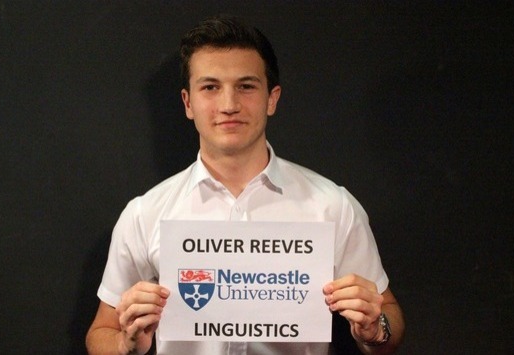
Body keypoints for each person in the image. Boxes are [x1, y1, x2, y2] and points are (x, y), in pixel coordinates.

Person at [86, 15, 404, 355]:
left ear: (272, 98)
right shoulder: (145, 213)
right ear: (188, 102)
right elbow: (101, 331)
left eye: (246, 86)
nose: (229, 105)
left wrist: (375, 329)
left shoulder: (332, 206)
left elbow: (389, 319)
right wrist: (125, 342)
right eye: (210, 87)